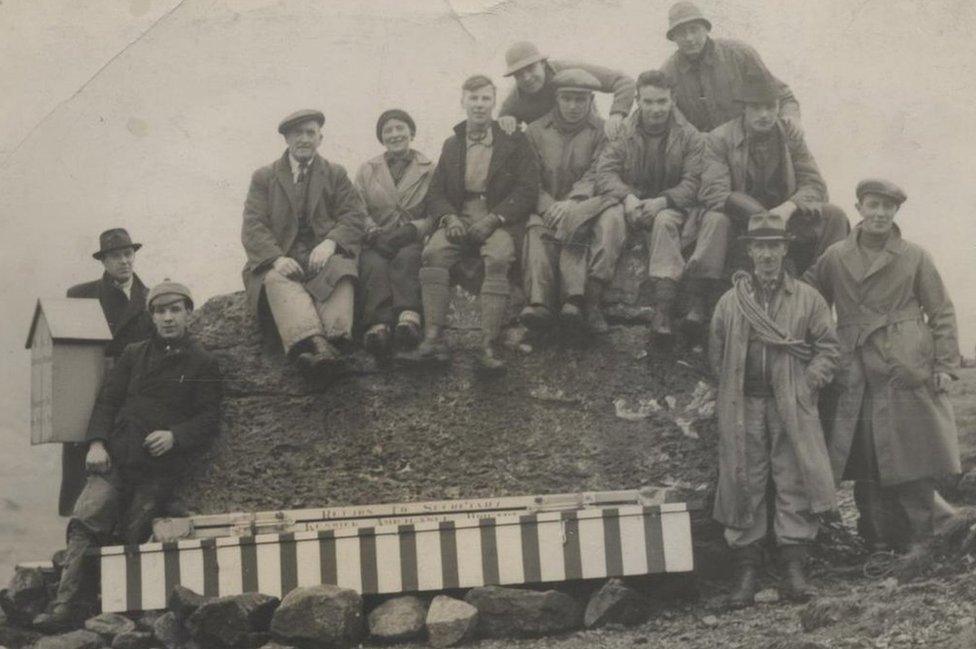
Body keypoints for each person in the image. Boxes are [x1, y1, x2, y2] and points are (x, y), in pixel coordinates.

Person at [33, 281, 222, 631]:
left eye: (175, 310)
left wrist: (175, 436)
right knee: (85, 520)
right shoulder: (133, 354)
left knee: (135, 533)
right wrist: (97, 443)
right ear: (151, 316)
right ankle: (66, 607)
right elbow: (106, 401)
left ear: (188, 314)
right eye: (160, 311)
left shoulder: (203, 363)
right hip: (115, 459)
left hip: (158, 470)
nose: (167, 318)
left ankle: (123, 613)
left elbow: (209, 417)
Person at [803, 179, 961, 553]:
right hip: (854, 367)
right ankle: (875, 538)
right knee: (865, 453)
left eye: (887, 208)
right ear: (858, 207)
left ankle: (926, 537)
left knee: (911, 452)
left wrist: (944, 365)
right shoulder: (836, 256)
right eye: (872, 205)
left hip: (904, 365)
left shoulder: (915, 256)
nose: (879, 214)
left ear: (895, 212)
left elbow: (941, 311)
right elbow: (810, 297)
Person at [709, 212, 839, 608]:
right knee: (742, 478)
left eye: (774, 246)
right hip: (744, 405)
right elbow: (716, 352)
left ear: (785, 249)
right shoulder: (732, 302)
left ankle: (794, 569)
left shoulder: (806, 297)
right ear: (750, 251)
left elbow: (829, 348)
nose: (767, 254)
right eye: (760, 246)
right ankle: (747, 571)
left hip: (790, 403)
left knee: (794, 476)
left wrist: (809, 381)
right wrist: (731, 389)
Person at [397, 75, 539, 371]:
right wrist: (449, 218)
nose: (479, 105)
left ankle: (488, 345)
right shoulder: (452, 144)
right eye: (473, 98)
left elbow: (527, 189)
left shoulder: (514, 140)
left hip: (498, 216)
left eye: (485, 98)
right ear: (463, 101)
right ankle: (433, 339)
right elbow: (436, 192)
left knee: (499, 256)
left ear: (494, 102)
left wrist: (494, 219)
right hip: (460, 214)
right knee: (433, 253)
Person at [241, 109, 366, 374]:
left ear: (321, 138)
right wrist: (276, 259)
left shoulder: (335, 173)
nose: (305, 139)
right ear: (286, 139)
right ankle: (318, 345)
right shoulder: (264, 177)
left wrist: (331, 243)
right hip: (282, 257)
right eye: (298, 133)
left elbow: (354, 215)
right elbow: (253, 225)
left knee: (341, 271)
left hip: (322, 258)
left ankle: (335, 341)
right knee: (276, 280)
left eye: (311, 133)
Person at [699, 72, 849, 278]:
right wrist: (760, 216)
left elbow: (815, 184)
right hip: (741, 221)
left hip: (787, 218)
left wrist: (789, 208)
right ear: (744, 108)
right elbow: (713, 191)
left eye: (770, 107)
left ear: (779, 107)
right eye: (756, 107)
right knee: (715, 220)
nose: (764, 114)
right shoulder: (719, 138)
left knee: (835, 215)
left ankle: (818, 287)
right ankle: (701, 295)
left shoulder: (790, 135)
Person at [595, 70, 705, 340]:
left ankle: (663, 308)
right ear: (638, 101)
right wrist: (627, 197)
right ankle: (592, 301)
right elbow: (605, 173)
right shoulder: (624, 132)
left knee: (665, 222)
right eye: (648, 102)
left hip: (671, 206)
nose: (655, 109)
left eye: (662, 101)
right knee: (610, 220)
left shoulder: (690, 136)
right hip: (631, 203)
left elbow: (694, 181)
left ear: (673, 100)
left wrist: (664, 201)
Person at [519, 68, 624, 334]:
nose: (574, 106)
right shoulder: (534, 131)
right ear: (556, 98)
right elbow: (529, 178)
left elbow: (599, 170)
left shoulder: (602, 131)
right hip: (548, 205)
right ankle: (540, 303)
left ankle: (584, 301)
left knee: (597, 222)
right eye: (567, 98)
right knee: (534, 229)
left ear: (591, 100)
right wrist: (548, 205)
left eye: (581, 99)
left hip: (588, 203)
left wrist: (574, 201)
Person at [59, 228, 154, 516]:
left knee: (127, 475)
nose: (124, 261)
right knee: (84, 479)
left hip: (131, 396)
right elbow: (69, 353)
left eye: (128, 254)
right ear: (103, 261)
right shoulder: (81, 296)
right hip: (89, 394)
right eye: (115, 256)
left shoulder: (150, 300)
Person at [355, 109, 434, 357]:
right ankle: (378, 326)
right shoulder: (367, 170)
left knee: (408, 258)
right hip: (377, 238)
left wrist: (414, 229)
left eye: (400, 128)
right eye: (388, 130)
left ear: (411, 132)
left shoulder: (429, 169)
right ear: (381, 137)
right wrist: (372, 231)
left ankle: (408, 318)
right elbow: (357, 206)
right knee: (372, 263)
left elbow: (437, 210)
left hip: (410, 237)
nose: (395, 134)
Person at [660, 1, 800, 134]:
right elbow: (666, 120)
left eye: (694, 30)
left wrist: (790, 118)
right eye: (681, 33)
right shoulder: (668, 74)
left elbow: (782, 95)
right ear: (673, 38)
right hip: (704, 152)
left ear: (706, 30)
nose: (689, 38)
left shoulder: (739, 55)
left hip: (747, 146)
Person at [498, 41, 635, 140]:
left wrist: (617, 113)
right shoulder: (517, 95)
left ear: (543, 64)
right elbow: (505, 113)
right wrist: (508, 118)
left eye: (531, 68)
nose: (527, 78)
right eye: (519, 74)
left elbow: (623, 81)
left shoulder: (570, 71)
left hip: (588, 140)